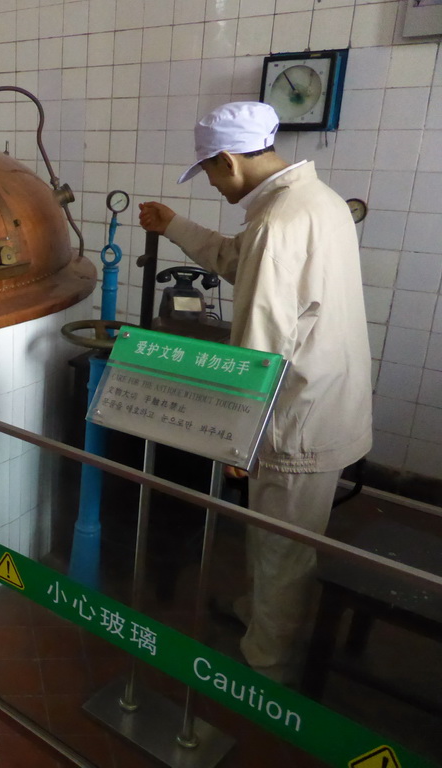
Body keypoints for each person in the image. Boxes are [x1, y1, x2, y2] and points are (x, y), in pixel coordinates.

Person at [138, 101, 373, 683]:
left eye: (211, 173)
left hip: (297, 414)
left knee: (283, 545)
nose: (215, 186)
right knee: (275, 530)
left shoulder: (277, 222)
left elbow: (260, 346)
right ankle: (262, 617)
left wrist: (239, 436)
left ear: (226, 159)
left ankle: (267, 664)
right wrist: (174, 226)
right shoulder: (315, 202)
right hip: (322, 398)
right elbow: (238, 261)